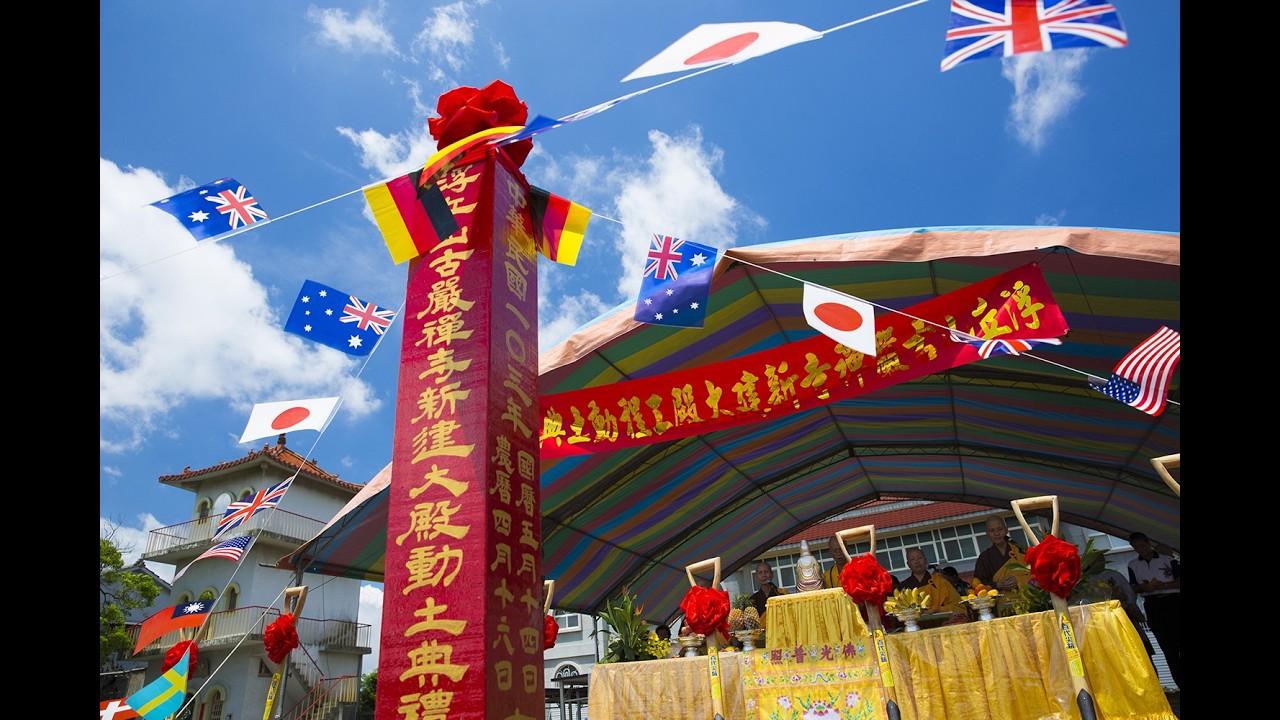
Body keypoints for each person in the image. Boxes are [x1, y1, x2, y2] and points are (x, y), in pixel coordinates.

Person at [1127, 531, 1180, 690]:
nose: (1141, 549)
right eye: (1137, 547)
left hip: (1173, 602)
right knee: (1167, 647)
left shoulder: (1167, 560)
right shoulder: (1133, 565)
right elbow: (1133, 586)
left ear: (1148, 543)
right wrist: (1142, 587)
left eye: (1143, 545)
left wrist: (1163, 585)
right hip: (1152, 604)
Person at [898, 547, 967, 616]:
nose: (917, 561)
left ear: (926, 561)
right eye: (912, 559)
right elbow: (900, 613)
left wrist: (939, 610)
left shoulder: (941, 582)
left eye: (920, 558)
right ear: (908, 564)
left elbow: (959, 606)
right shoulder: (904, 587)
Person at [972, 515, 1030, 593]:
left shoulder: (1021, 550)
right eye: (992, 531)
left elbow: (1037, 575)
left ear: (1006, 530)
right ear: (987, 534)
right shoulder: (984, 558)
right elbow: (978, 586)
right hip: (1001, 602)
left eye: (1000, 529)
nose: (996, 533)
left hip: (1028, 599)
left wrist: (1019, 580)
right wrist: (998, 585)